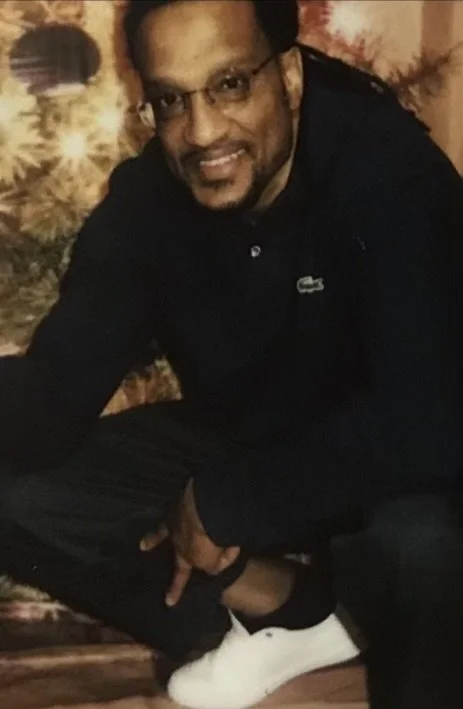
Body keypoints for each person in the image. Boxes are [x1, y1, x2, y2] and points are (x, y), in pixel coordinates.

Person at [0, 1, 462, 707]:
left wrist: (232, 500)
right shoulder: (152, 197)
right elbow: (56, 391)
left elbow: (429, 419)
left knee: (419, 542)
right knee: (18, 495)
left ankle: (388, 630)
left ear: (289, 76)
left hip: (395, 465)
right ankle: (293, 609)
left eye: (229, 85)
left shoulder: (388, 174)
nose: (202, 131)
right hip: (251, 441)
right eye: (170, 100)